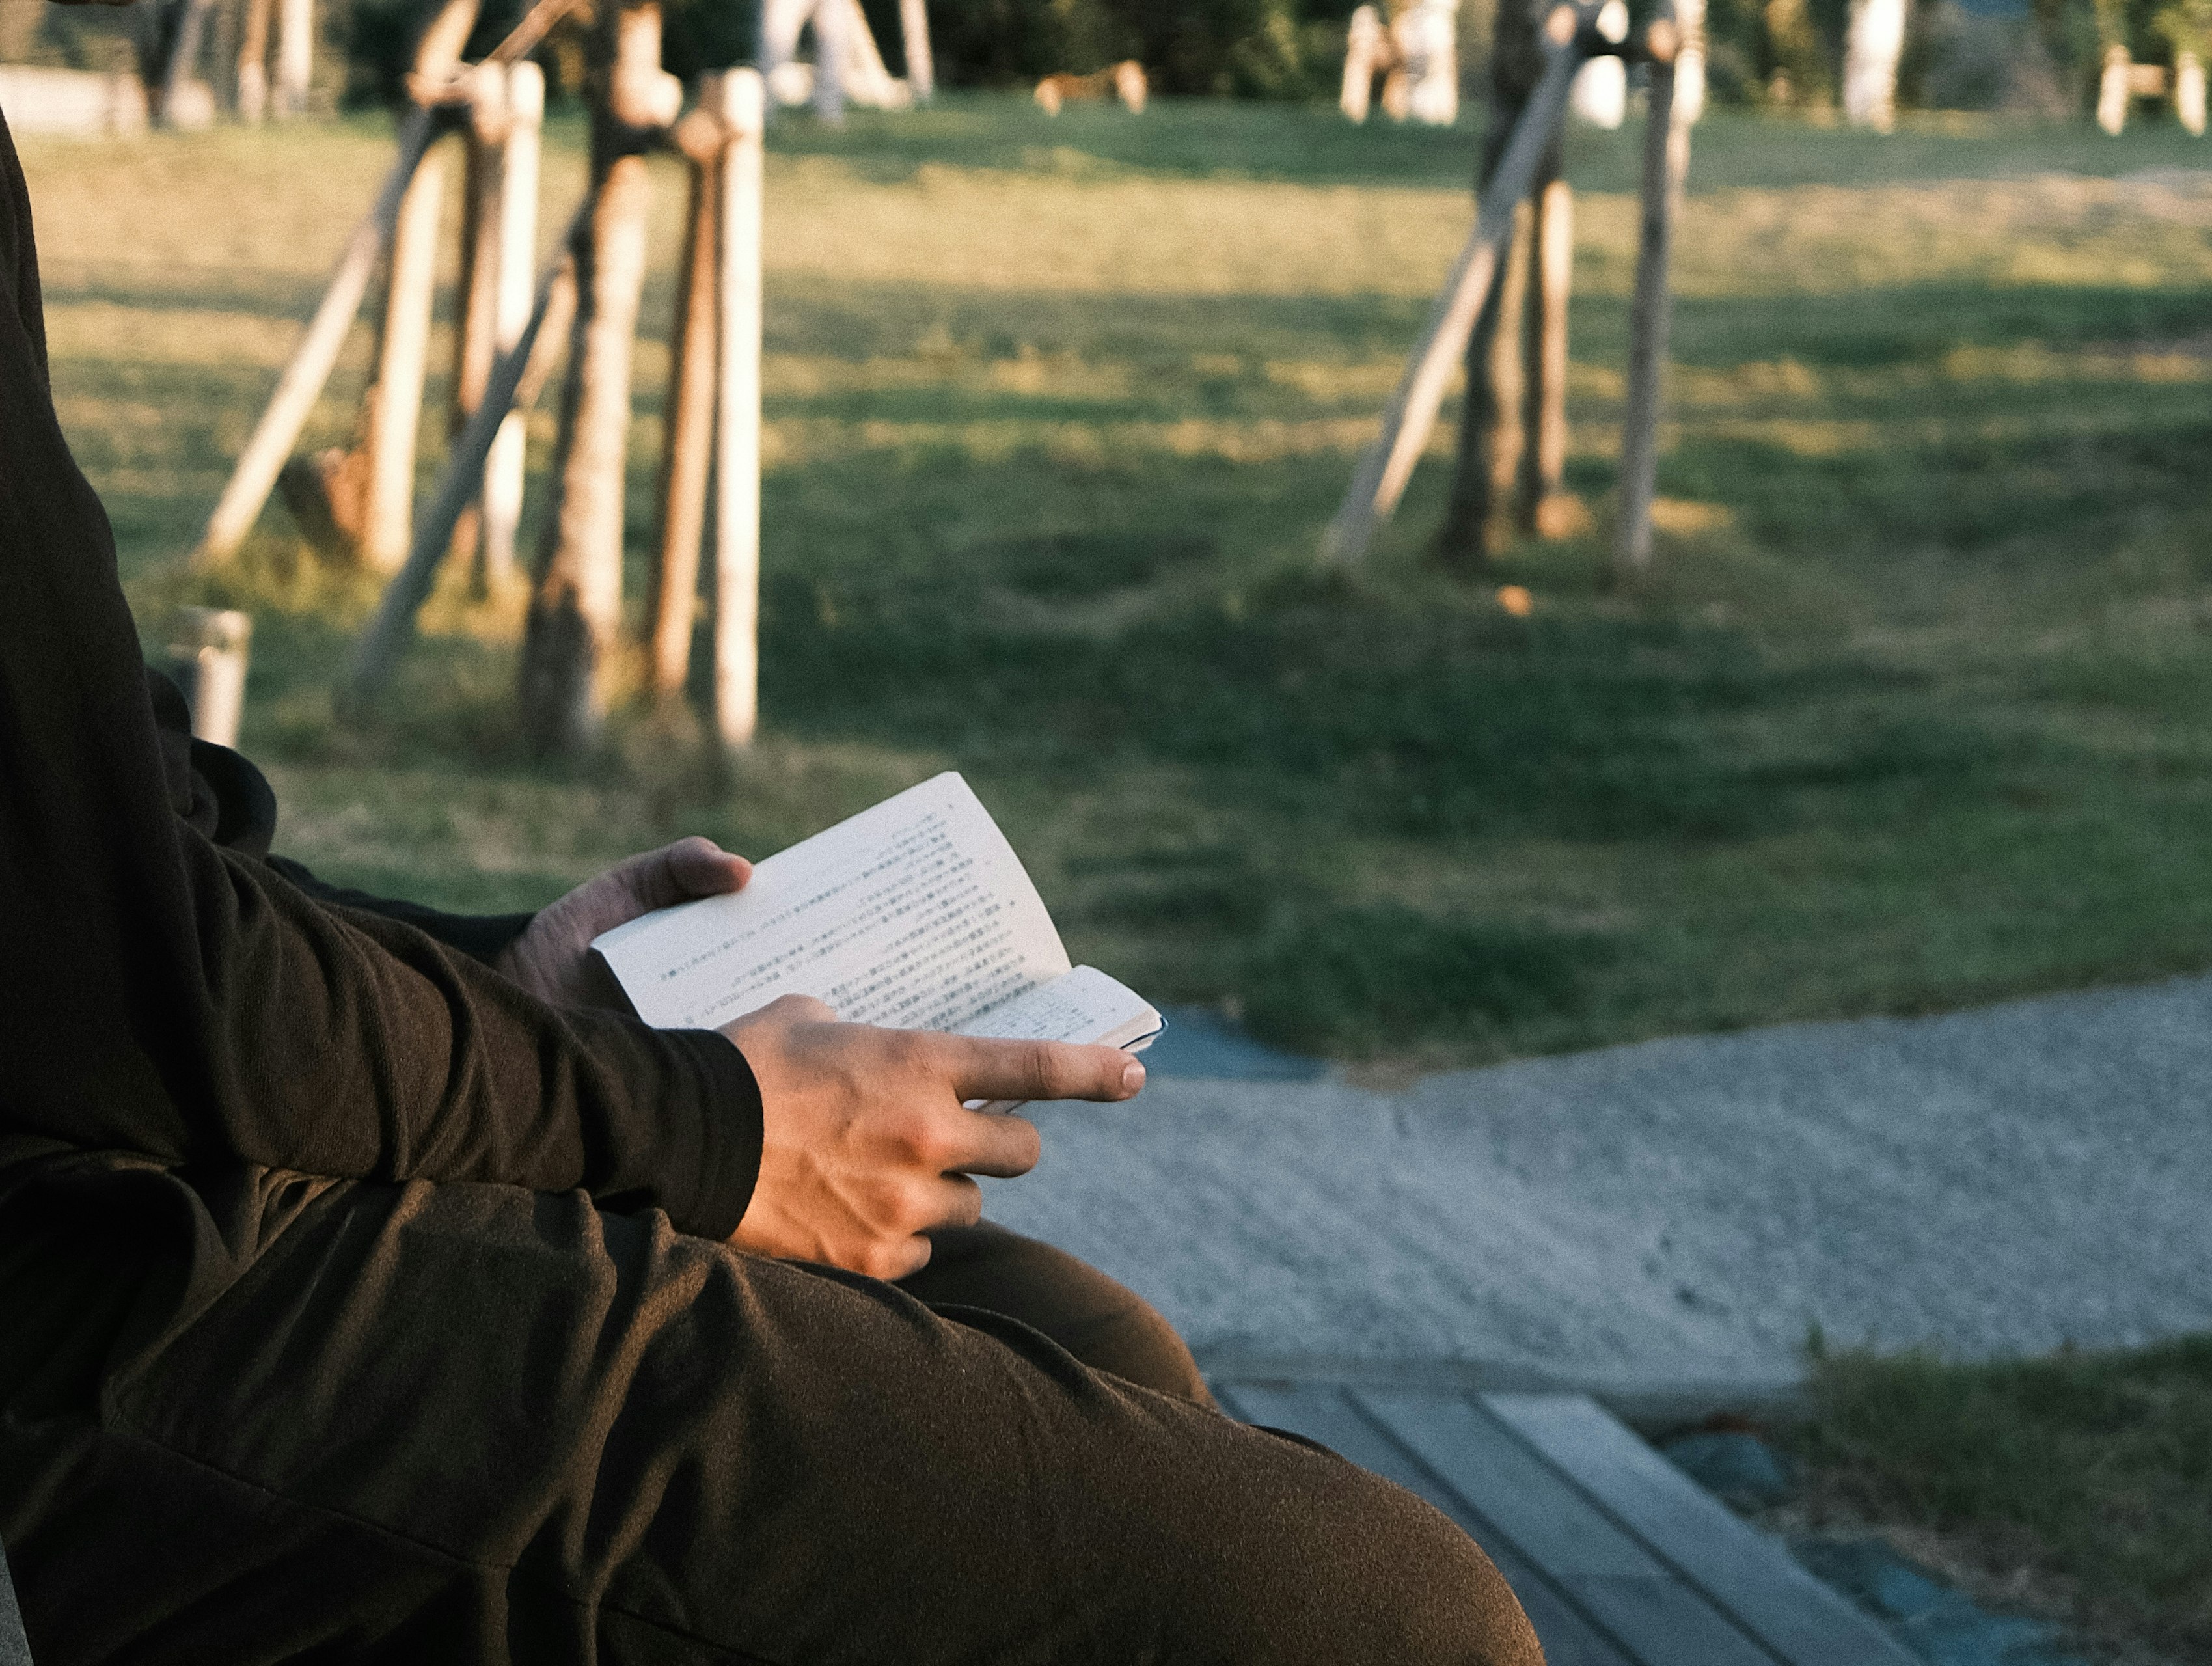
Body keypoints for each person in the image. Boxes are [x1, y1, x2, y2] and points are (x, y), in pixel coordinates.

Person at [0, 73, 1541, 1666]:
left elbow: (101, 863)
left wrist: (485, 985)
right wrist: (703, 1121)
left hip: (130, 1119)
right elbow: (101, 990)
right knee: (1389, 1616)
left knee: (1086, 1337)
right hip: (89, 1254)